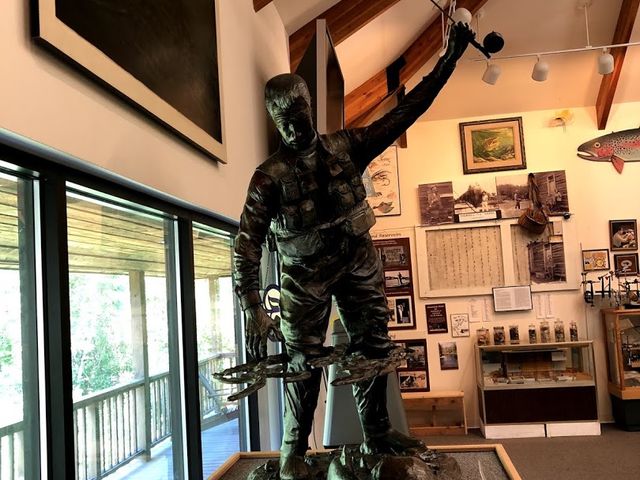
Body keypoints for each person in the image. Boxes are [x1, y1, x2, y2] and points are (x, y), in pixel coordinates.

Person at [233, 23, 474, 480]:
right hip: (303, 278)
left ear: (309, 107)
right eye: (281, 120)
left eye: (298, 115)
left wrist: (447, 61)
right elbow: (246, 243)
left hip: (357, 262)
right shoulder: (268, 178)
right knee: (302, 363)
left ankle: (377, 433)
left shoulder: (348, 146)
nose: (292, 127)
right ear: (273, 120)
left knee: (373, 347)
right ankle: (292, 452)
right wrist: (252, 307)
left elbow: (405, 113)